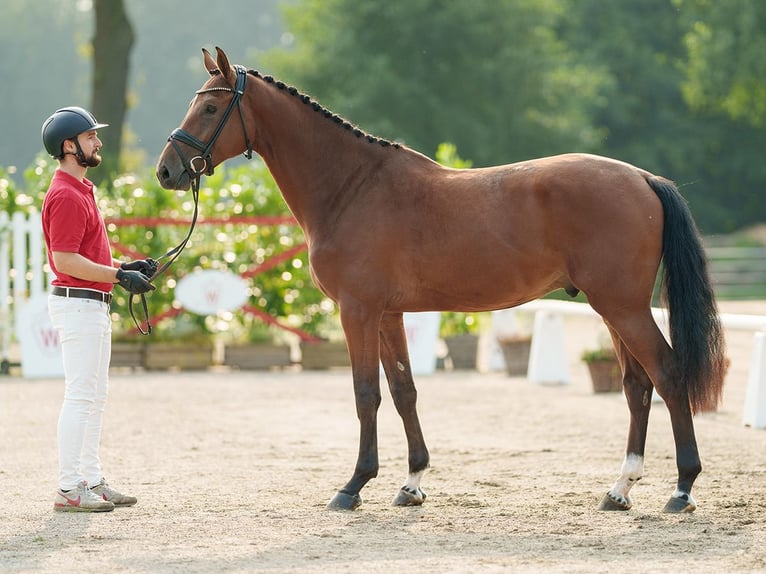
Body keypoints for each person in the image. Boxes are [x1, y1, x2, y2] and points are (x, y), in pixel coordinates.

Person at [41, 106, 156, 512]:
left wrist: (125, 268)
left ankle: (90, 479)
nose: (98, 142)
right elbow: (66, 260)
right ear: (69, 146)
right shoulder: (66, 195)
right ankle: (70, 487)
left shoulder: (80, 189)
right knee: (81, 395)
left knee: (95, 395)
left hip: (91, 305)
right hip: (79, 306)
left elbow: (82, 256)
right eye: (90, 137)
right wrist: (118, 275)